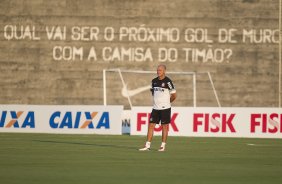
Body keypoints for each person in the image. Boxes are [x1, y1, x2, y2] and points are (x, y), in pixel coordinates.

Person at [139, 64, 176, 151]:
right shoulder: (154, 81)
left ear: (164, 71)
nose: (158, 72)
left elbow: (174, 95)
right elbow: (153, 92)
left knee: (164, 127)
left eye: (160, 70)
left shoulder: (168, 82)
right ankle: (147, 146)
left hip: (165, 108)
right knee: (151, 125)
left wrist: (167, 102)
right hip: (155, 108)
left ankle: (162, 146)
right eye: (157, 70)